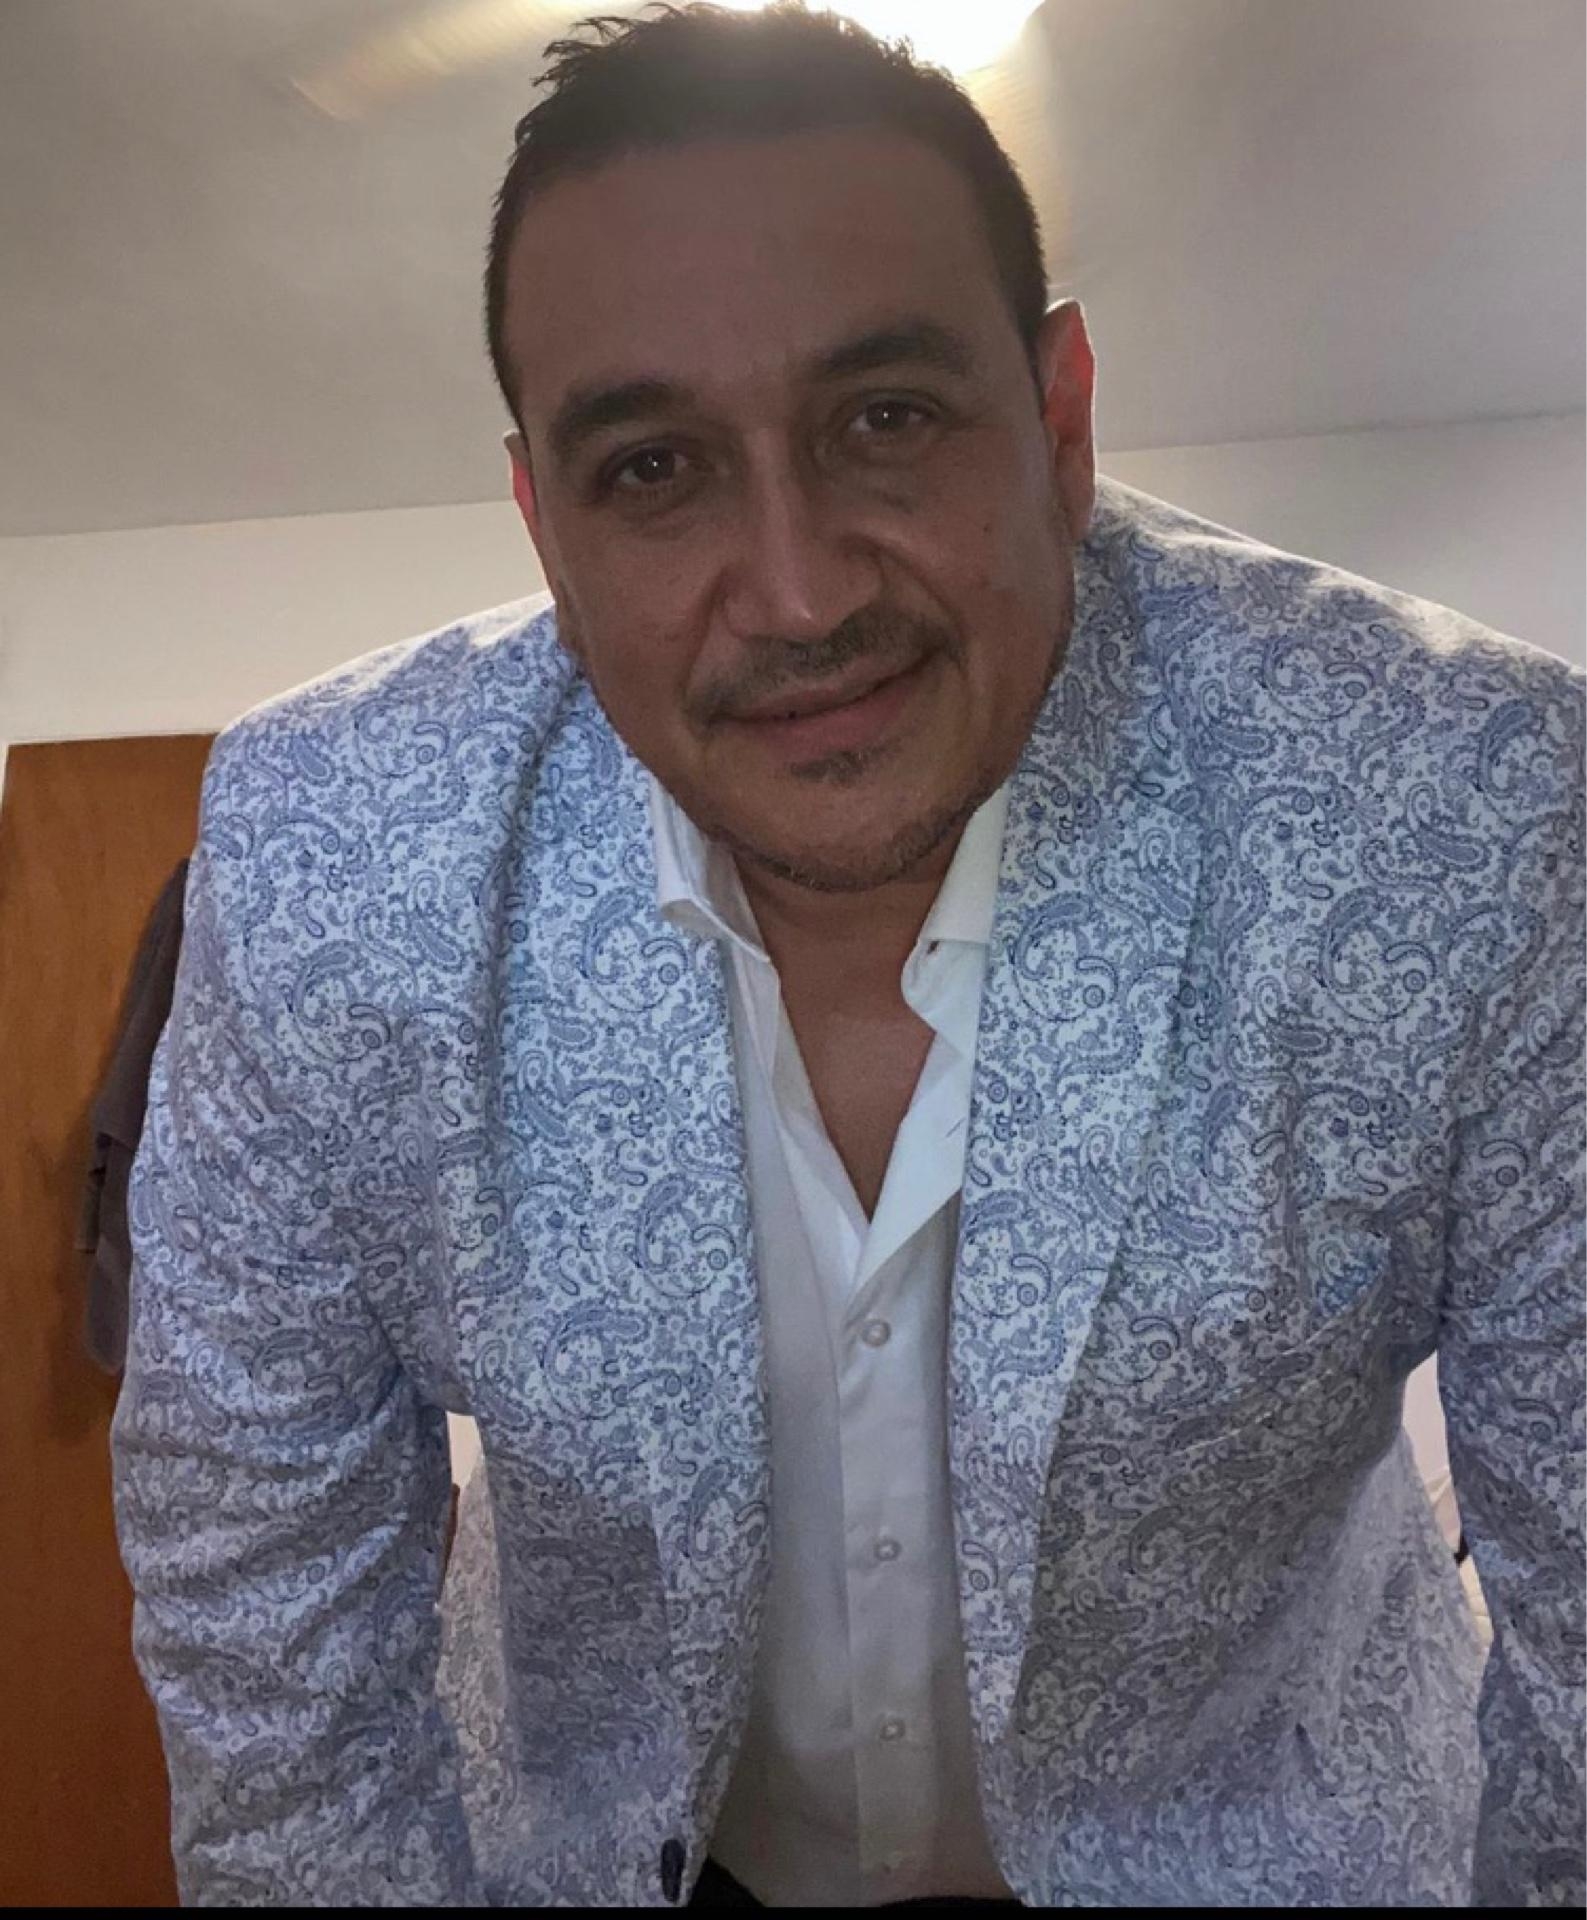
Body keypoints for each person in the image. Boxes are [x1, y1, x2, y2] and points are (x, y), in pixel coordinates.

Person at [110, 3, 1584, 1907]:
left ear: (1060, 424)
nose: (800, 593)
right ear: (545, 527)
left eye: (886, 419)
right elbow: (262, 1605)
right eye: (655, 468)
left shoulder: (1463, 812)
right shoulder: (327, 864)